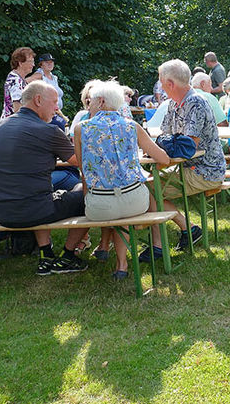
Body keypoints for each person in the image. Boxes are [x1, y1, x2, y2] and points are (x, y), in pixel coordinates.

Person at [0, 80, 90, 275]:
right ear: (37, 100)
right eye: (54, 102)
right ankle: (68, 256)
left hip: (0, 211)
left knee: (42, 191)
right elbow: (82, 161)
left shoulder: (2, 125)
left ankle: (46, 254)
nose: (57, 108)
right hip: (32, 210)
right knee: (87, 196)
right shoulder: (49, 131)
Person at [73, 80, 171, 277]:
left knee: (114, 207)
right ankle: (122, 265)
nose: (88, 104)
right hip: (135, 201)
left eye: (90, 100)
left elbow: (84, 170)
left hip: (99, 206)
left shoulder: (81, 128)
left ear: (100, 102)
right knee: (124, 210)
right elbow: (164, 158)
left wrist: (87, 198)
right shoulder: (131, 126)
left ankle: (116, 259)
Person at [156, 59, 227, 249]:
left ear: (170, 84)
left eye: (161, 82)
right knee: (144, 186)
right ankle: (171, 235)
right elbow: (164, 137)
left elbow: (186, 148)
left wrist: (162, 152)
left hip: (206, 171)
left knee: (149, 191)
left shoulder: (195, 103)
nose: (160, 86)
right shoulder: (174, 104)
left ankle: (186, 230)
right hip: (187, 167)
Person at [1, 46, 35, 118]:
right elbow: (17, 108)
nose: (33, 65)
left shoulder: (19, 79)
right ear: (20, 63)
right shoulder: (15, 80)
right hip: (13, 124)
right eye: (30, 61)